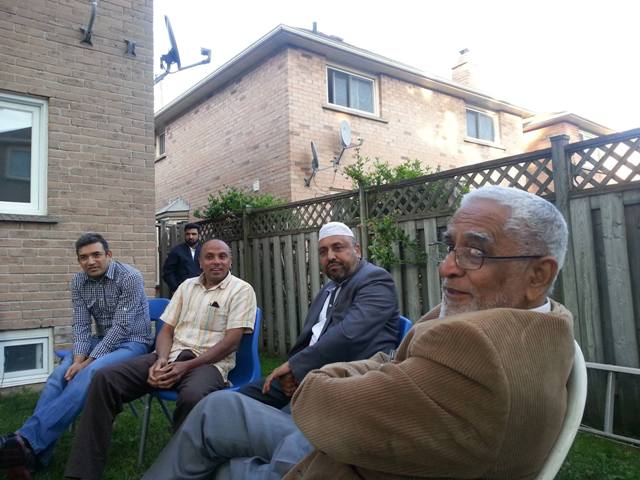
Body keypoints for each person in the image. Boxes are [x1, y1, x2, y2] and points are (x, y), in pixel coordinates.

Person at [143, 186, 575, 480]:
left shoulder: (473, 346)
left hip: (333, 455)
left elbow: (347, 358)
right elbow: (391, 362)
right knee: (219, 409)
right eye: (450, 247)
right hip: (343, 422)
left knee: (218, 452)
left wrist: (308, 374)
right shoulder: (539, 325)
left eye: (475, 252)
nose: (447, 267)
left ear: (538, 274)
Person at [63, 239, 257, 480]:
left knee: (193, 396)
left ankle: (178, 470)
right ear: (200, 261)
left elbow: (232, 342)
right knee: (105, 378)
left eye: (222, 256)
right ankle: (82, 472)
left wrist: (185, 366)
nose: (216, 262)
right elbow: (166, 329)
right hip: (170, 355)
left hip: (209, 363)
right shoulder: (186, 286)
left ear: (230, 260)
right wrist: (161, 359)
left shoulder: (241, 290)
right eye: (209, 257)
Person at [0, 233, 153, 479]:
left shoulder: (130, 277)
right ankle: (34, 455)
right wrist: (78, 359)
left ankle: (24, 441)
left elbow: (122, 327)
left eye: (96, 255)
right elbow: (81, 325)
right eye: (83, 257)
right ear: (78, 260)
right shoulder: (78, 282)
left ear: (109, 255)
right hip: (98, 340)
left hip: (133, 342)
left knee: (89, 374)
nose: (90, 261)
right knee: (58, 376)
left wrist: (88, 362)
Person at [239, 221, 399, 409]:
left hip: (348, 378)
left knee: (265, 417)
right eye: (323, 252)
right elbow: (313, 336)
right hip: (308, 371)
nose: (330, 256)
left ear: (357, 250)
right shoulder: (330, 288)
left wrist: (294, 366)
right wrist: (293, 371)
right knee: (235, 401)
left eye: (337, 248)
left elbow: (349, 335)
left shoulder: (375, 280)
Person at [162, 223, 202, 296]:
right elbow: (168, 272)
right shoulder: (176, 251)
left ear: (199, 235)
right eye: (187, 234)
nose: (190, 237)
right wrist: (175, 288)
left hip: (202, 291)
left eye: (193, 234)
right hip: (182, 291)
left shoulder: (204, 250)